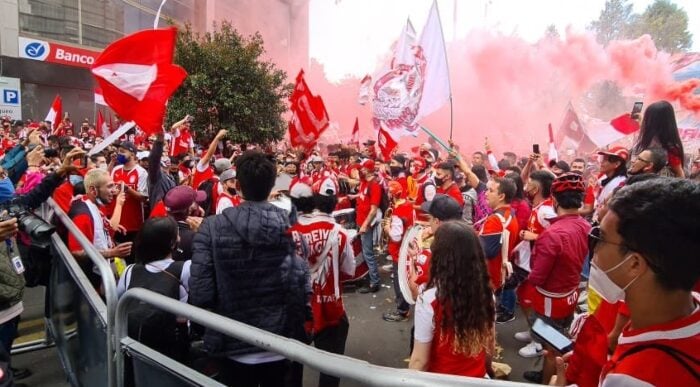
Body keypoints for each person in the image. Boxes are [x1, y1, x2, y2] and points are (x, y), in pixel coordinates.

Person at [551, 178, 700, 386]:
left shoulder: (633, 378)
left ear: (634, 264)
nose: (593, 249)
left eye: (600, 238)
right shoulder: (689, 304)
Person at [189, 151, 310, 386]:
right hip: (281, 345)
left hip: (232, 345)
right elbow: (301, 286)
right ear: (272, 185)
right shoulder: (291, 226)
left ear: (238, 185)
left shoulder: (211, 228)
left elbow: (201, 294)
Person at [518, 173, 591, 383]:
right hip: (570, 293)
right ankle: (547, 373)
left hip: (550, 300)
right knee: (557, 341)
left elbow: (538, 277)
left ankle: (548, 379)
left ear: (555, 200)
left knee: (552, 349)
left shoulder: (552, 235)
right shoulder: (585, 225)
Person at [289, 177, 354, 387]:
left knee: (292, 364)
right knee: (331, 368)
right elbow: (349, 270)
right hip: (331, 308)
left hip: (297, 307)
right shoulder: (341, 233)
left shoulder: (293, 230)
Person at [409, 221, 495, 377]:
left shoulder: (429, 299)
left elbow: (419, 362)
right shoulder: (487, 294)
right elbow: (489, 345)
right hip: (479, 378)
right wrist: (488, 371)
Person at [117, 216, 191, 361]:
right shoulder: (185, 269)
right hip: (172, 347)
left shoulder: (129, 271)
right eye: (177, 234)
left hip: (133, 346)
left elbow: (118, 301)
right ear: (172, 243)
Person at [68, 169, 133, 286]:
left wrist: (107, 224)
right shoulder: (83, 216)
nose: (114, 191)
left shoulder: (94, 203)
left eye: (114, 185)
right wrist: (112, 253)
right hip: (92, 279)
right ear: (93, 190)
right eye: (109, 187)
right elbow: (77, 252)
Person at [382, 181, 415, 323]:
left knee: (399, 281)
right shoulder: (408, 205)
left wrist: (387, 228)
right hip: (407, 249)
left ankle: (402, 311)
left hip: (399, 252)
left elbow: (395, 236)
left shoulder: (397, 212)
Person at [479, 177, 520, 293]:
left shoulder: (496, 220)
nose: (486, 194)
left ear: (501, 196)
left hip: (489, 279)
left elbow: (485, 252)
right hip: (498, 276)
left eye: (491, 191)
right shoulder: (510, 213)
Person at [109, 141, 148, 261]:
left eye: (122, 152)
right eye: (118, 151)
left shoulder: (141, 172)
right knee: (117, 258)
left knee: (131, 257)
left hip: (134, 224)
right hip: (116, 222)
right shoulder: (116, 169)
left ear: (132, 154)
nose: (119, 154)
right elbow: (109, 189)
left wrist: (128, 189)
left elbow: (143, 197)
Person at [633, 100, 685, 178]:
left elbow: (679, 173)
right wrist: (639, 119)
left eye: (648, 118)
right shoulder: (652, 137)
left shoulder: (670, 148)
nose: (645, 121)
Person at [352, 159, 382, 294]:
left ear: (369, 170)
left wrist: (365, 225)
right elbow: (362, 196)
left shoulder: (374, 185)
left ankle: (375, 282)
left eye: (363, 168)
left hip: (366, 223)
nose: (360, 170)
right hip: (360, 221)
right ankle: (368, 277)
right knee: (364, 251)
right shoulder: (364, 182)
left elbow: (373, 209)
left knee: (368, 252)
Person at [164, 185, 206, 262]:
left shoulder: (157, 228)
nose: (198, 205)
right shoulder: (195, 237)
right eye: (195, 202)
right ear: (188, 209)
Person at [593, 147, 628, 224]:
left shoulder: (620, 184)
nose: (601, 163)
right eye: (602, 159)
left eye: (605, 160)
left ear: (617, 164)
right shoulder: (604, 177)